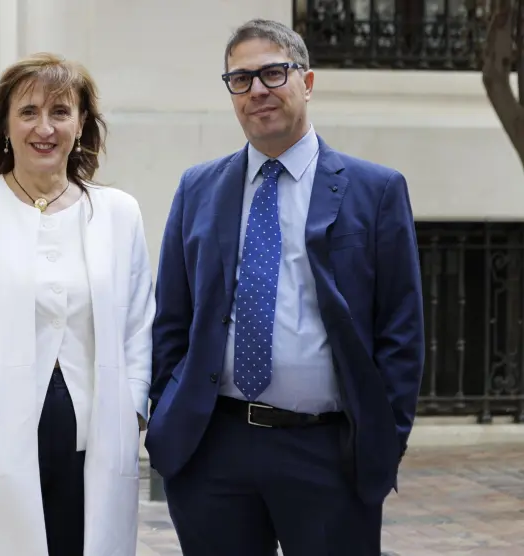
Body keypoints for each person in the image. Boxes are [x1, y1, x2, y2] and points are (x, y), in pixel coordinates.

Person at [145, 19, 424, 556]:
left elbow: (401, 329)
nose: (258, 91)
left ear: (308, 82)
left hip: (326, 451)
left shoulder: (376, 190)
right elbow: (172, 320)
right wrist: (170, 415)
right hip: (213, 450)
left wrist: (381, 441)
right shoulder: (198, 188)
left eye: (274, 73)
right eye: (241, 79)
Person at [0, 52, 155, 556]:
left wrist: (129, 414)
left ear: (82, 124)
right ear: (5, 124)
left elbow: (139, 328)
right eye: (28, 112)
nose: (44, 128)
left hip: (94, 442)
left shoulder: (118, 214)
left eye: (60, 112)